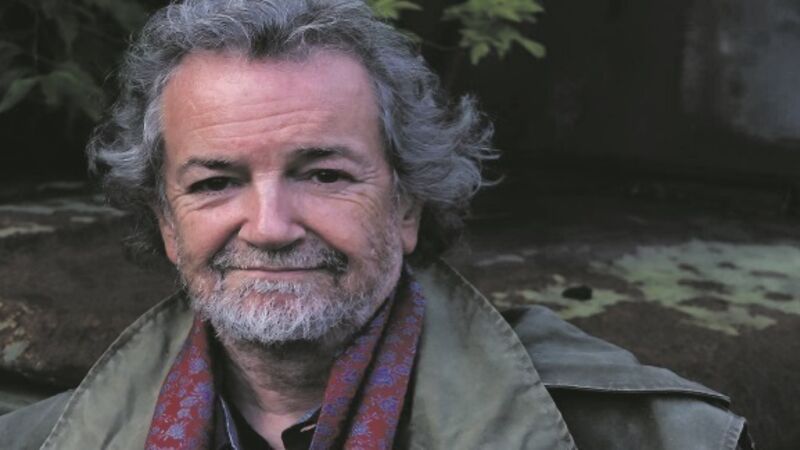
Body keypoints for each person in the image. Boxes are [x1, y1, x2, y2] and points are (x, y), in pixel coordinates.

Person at [0, 1, 752, 449]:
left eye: (325, 175)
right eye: (216, 183)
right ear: (167, 224)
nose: (269, 227)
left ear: (407, 205)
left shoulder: (660, 438)